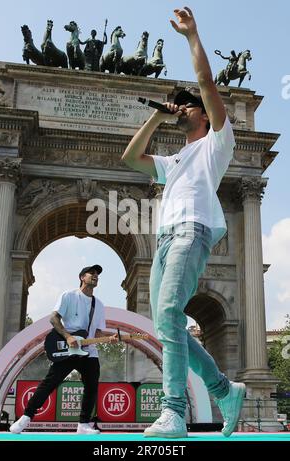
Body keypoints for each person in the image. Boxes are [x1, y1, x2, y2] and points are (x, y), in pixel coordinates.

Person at [121, 7, 245, 438]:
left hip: (193, 230)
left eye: (190, 105)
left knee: (171, 312)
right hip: (164, 240)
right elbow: (131, 158)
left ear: (206, 115)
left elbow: (209, 85)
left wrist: (192, 36)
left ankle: (174, 410)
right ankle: (224, 390)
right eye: (184, 104)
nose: (185, 108)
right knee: (165, 324)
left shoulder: (217, 143)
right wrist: (157, 115)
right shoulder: (173, 161)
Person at [10, 265, 117, 435]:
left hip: (89, 351)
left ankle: (83, 424)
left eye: (97, 275)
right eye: (92, 273)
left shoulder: (100, 305)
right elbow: (54, 318)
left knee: (91, 386)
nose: (96, 276)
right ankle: (25, 418)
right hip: (69, 349)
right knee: (49, 383)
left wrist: (106, 339)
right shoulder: (68, 296)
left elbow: (97, 331)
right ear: (82, 277)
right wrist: (68, 336)